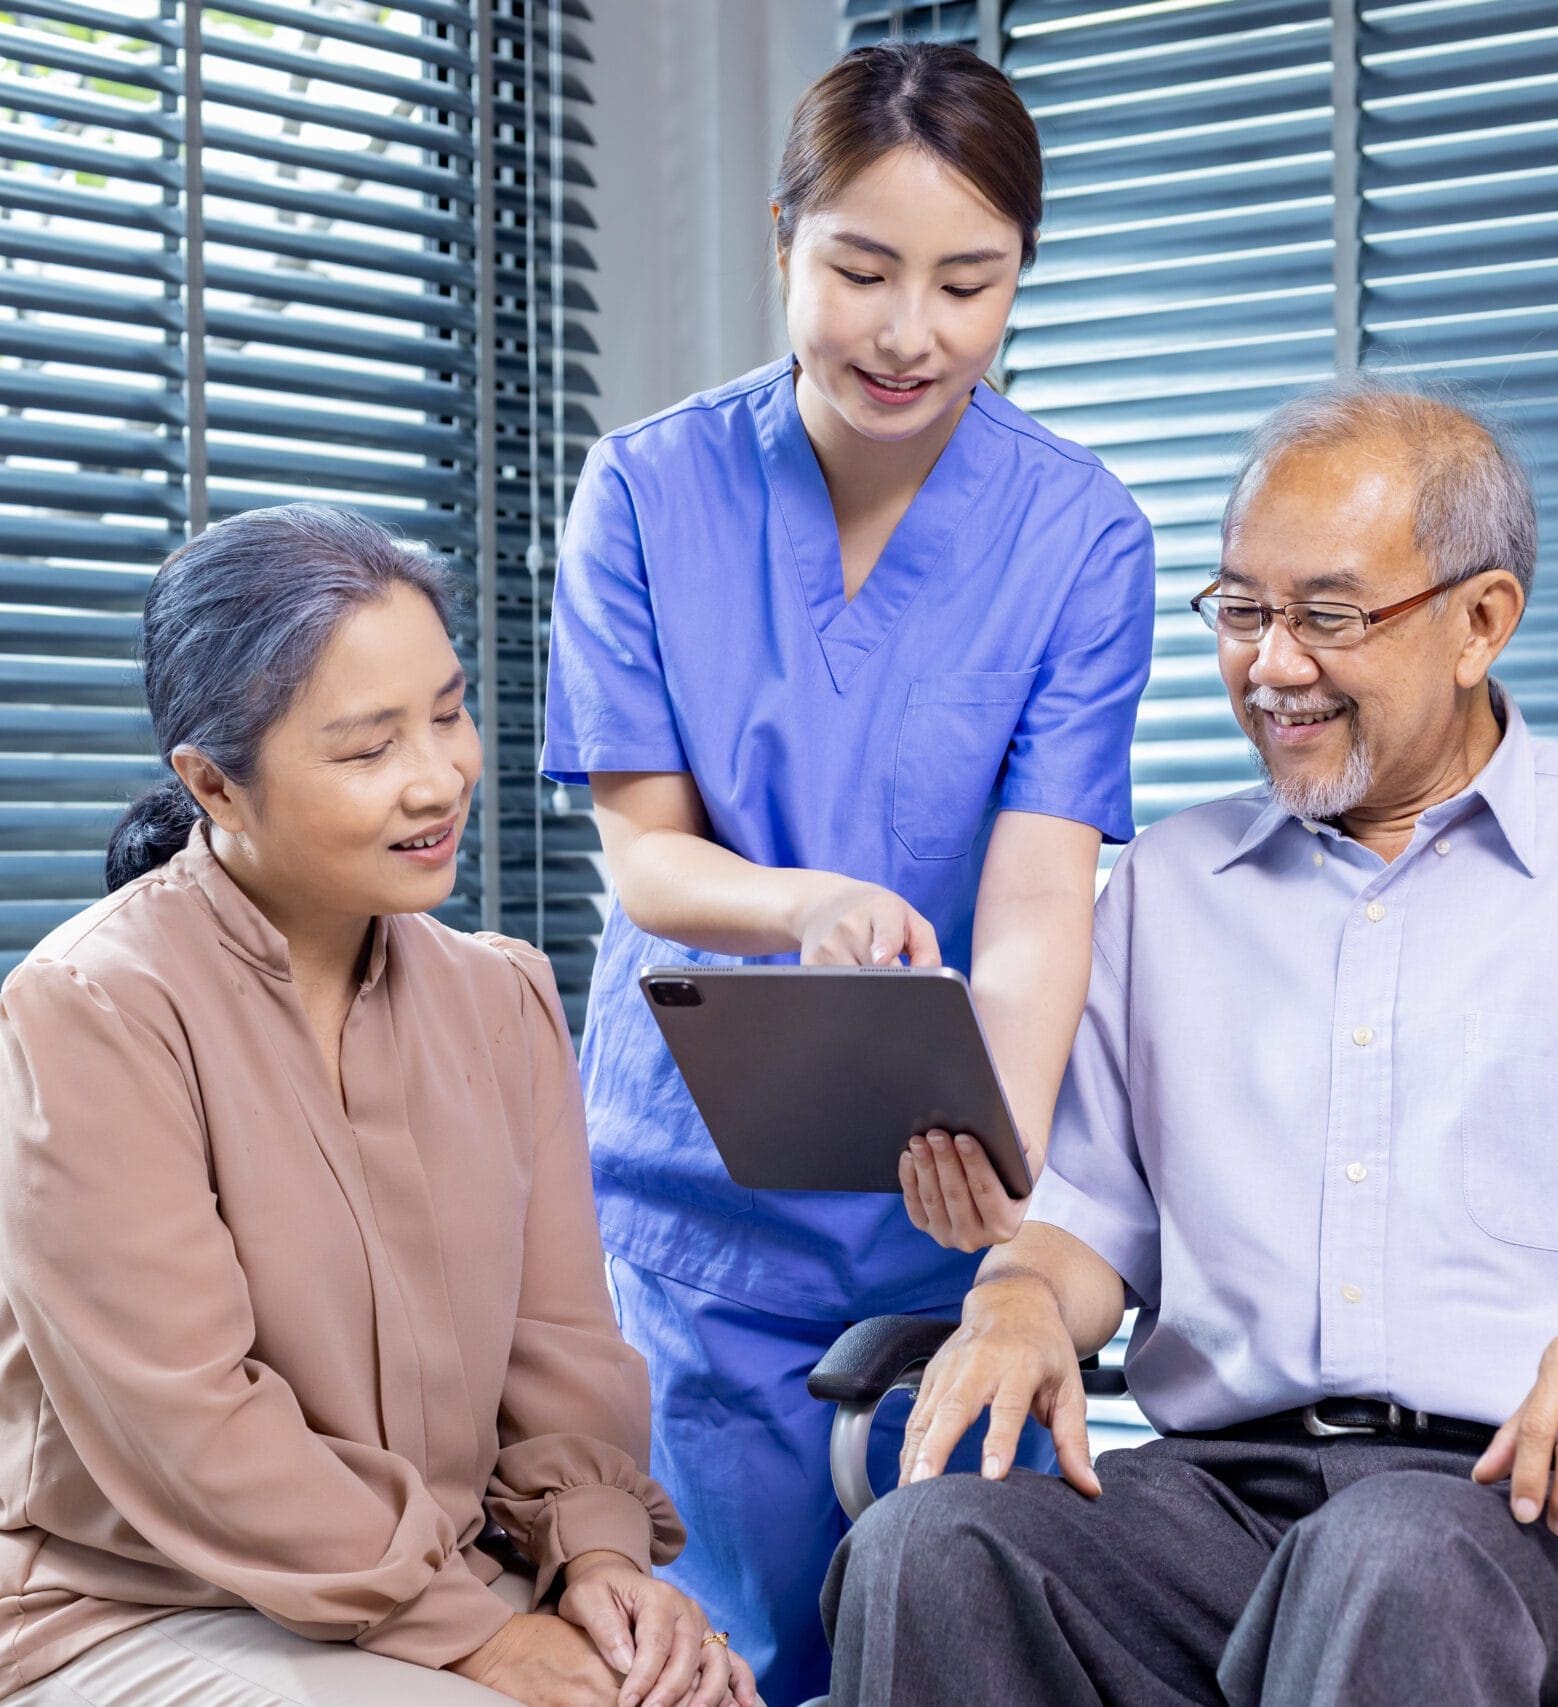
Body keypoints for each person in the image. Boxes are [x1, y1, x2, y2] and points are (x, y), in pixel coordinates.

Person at [823, 380, 1558, 1706]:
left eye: (1327, 616)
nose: (1271, 664)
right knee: (929, 1541)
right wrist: (1013, 1298)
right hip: (1222, 1502)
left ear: (1480, 620)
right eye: (1241, 610)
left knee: (1392, 1553)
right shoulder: (1169, 883)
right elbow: (1083, 1226)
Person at [540, 40, 1156, 1704]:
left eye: (970, 283)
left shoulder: (1082, 535)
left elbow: (1039, 902)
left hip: (936, 1216)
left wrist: (1003, 1159)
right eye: (862, 270)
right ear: (782, 240)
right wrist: (801, 905)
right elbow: (649, 861)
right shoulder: (646, 493)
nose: (909, 334)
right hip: (686, 1206)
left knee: (938, 1648)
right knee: (696, 1660)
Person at [0, 505, 756, 1707]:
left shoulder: (501, 998)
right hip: (122, 1619)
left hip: (442, 1585)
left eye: (449, 712)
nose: (437, 777)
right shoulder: (89, 1016)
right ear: (213, 783)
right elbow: (197, 1428)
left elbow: (560, 1346)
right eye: (367, 750)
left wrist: (597, 1558)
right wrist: (475, 1636)